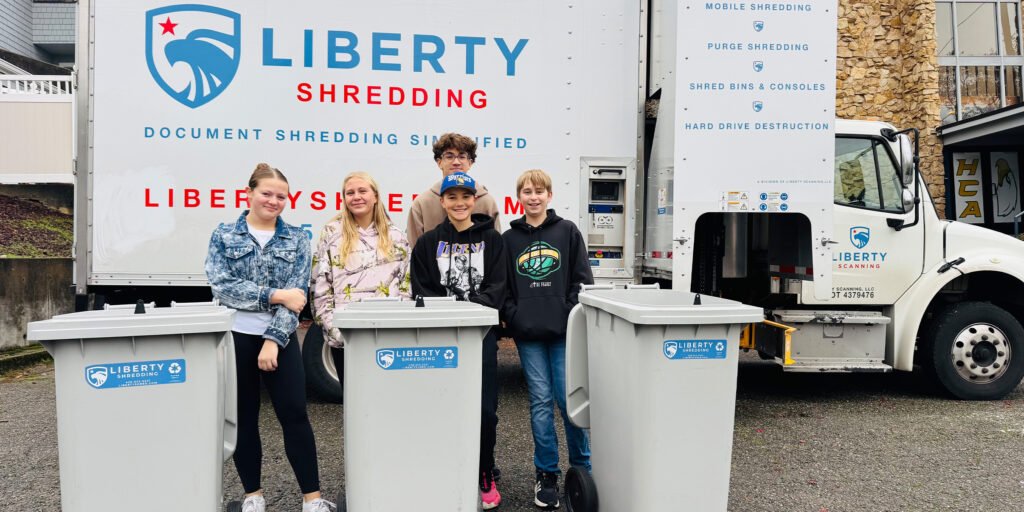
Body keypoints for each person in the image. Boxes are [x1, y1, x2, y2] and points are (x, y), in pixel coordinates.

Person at [205, 163, 333, 512]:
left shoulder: (297, 238)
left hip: (281, 339)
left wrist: (273, 340)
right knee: (244, 417)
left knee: (294, 415)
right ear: (249, 193)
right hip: (237, 338)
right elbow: (223, 286)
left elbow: (298, 298)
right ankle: (253, 497)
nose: (273, 201)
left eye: (281, 196)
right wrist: (275, 295)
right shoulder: (224, 235)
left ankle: (312, 499)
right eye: (266, 193)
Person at [410, 171, 507, 510]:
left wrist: (468, 306)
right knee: (440, 405)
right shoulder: (427, 243)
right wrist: (450, 310)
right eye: (452, 197)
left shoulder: (493, 241)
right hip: (441, 336)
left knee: (484, 410)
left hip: (479, 336)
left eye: (466, 197)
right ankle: (445, 468)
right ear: (443, 202)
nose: (460, 203)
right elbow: (422, 291)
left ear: (474, 200)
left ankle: (483, 471)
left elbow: (498, 287)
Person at [501, 169, 593, 509]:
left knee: (569, 402)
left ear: (550, 195)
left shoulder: (567, 231)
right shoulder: (508, 239)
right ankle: (547, 475)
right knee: (540, 403)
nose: (534, 196)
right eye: (527, 191)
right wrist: (515, 315)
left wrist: (566, 312)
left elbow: (582, 279)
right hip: (528, 335)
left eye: (540, 191)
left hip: (562, 332)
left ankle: (583, 469)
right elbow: (505, 286)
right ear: (519, 197)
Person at [311, 171, 411, 382]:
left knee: (388, 400)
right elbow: (320, 286)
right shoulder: (331, 233)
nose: (356, 196)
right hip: (347, 337)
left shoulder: (396, 236)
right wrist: (336, 331)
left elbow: (406, 286)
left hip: (387, 339)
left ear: (375, 196)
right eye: (350, 193)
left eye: (362, 191)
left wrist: (397, 330)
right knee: (356, 404)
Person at [406, 132, 501, 246]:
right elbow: (416, 251)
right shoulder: (422, 204)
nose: (456, 162)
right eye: (449, 156)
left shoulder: (487, 202)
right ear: (439, 162)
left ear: (470, 162)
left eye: (462, 156)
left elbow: (496, 247)